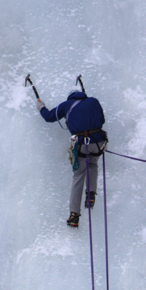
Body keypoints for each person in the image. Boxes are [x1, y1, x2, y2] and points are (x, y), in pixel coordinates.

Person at [37, 89, 107, 228]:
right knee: (93, 164)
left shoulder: (67, 105)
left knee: (79, 175)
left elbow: (49, 117)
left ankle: (74, 215)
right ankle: (90, 195)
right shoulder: (93, 101)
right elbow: (102, 120)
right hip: (99, 142)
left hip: (82, 143)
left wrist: (41, 107)